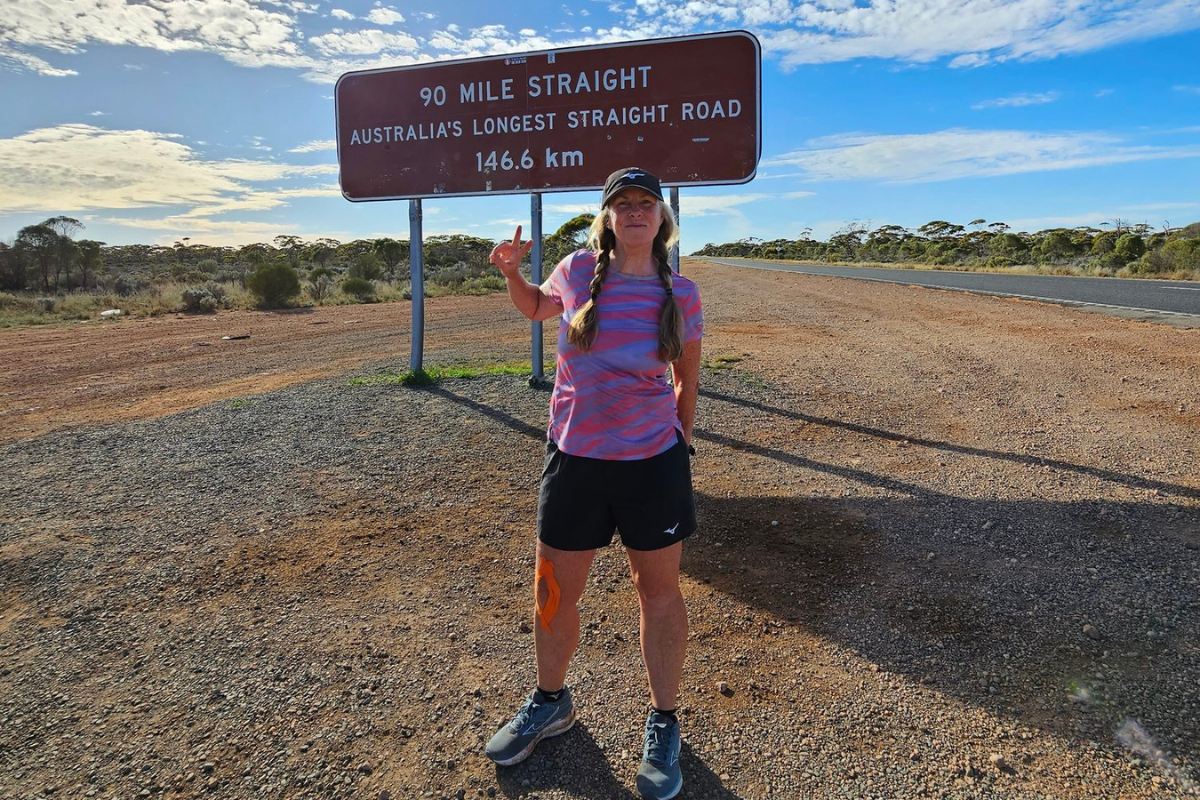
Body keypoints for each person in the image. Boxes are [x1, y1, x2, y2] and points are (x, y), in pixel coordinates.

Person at [483, 167, 703, 800]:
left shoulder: (681, 293)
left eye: (646, 203)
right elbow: (533, 310)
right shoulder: (579, 270)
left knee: (658, 594)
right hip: (576, 460)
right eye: (622, 204)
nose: (634, 211)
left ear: (662, 219)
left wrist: (680, 441)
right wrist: (511, 273)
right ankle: (552, 702)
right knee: (553, 590)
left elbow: (688, 377)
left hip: (651, 465)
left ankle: (664, 720)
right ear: (607, 219)